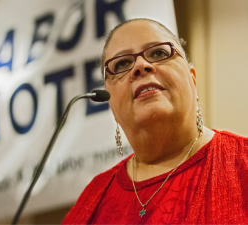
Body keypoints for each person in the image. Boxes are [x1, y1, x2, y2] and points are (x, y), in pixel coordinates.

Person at [62, 18, 248, 224]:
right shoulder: (91, 202)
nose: (140, 66)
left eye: (159, 53)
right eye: (122, 63)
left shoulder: (243, 163)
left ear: (192, 80)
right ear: (111, 104)